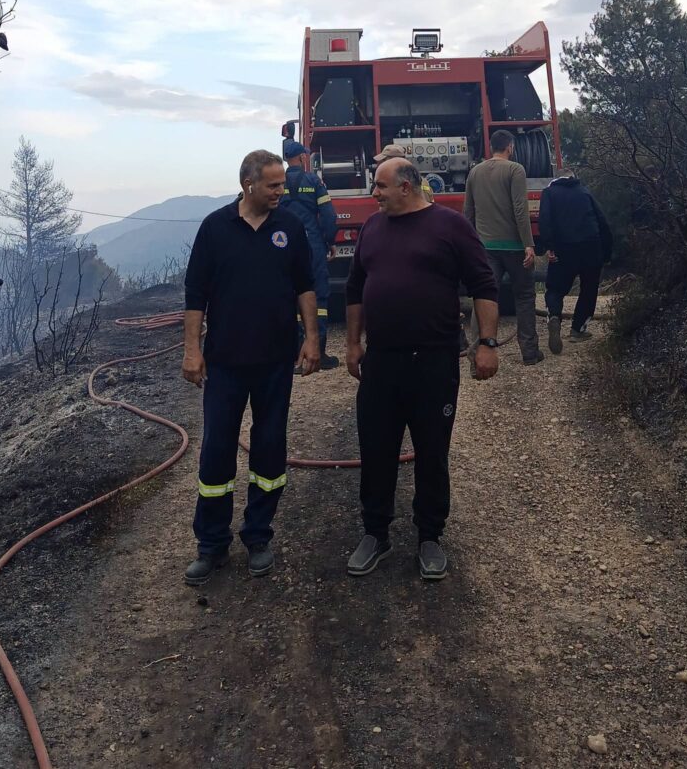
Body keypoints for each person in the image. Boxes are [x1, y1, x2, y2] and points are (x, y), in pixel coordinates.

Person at [344, 157, 500, 581]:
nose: (373, 193)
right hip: (382, 363)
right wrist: (354, 343)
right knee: (376, 450)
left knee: (432, 452)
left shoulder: (450, 227)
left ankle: (430, 537)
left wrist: (486, 344)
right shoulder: (372, 229)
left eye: (380, 185)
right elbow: (355, 288)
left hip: (433, 362)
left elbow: (484, 284)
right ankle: (375, 534)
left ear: (407, 187)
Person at [181, 150, 321, 586]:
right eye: (274, 185)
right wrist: (191, 350)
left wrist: (313, 339)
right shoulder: (215, 228)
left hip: (275, 362)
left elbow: (305, 286)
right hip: (224, 362)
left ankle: (258, 536)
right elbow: (194, 294)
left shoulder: (290, 227)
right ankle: (212, 545)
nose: (282, 191)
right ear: (248, 184)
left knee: (269, 450)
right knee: (217, 452)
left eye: (282, 183)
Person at [463, 129, 543, 365]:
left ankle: (477, 351)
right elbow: (521, 209)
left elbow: (468, 212)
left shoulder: (474, 172)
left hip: (485, 247)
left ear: (491, 147)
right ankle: (529, 352)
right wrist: (528, 244)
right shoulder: (515, 170)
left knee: (484, 297)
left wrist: (469, 244)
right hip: (515, 248)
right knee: (525, 297)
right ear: (510, 147)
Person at [537, 173, 613, 355]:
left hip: (563, 248)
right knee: (589, 288)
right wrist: (606, 253)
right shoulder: (584, 191)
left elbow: (544, 220)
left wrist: (549, 246)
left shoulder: (549, 193)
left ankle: (554, 316)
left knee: (555, 288)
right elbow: (603, 222)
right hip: (591, 246)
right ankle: (578, 329)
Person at [280, 141, 339, 370]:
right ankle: (319, 353)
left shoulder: (278, 182)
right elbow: (328, 215)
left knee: (290, 297)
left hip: (284, 246)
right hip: (311, 244)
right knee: (319, 296)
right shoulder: (313, 181)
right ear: (303, 158)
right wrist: (330, 241)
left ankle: (295, 354)